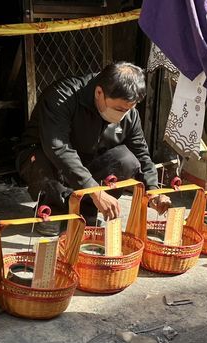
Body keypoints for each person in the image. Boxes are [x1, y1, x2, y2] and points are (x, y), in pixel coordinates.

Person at [16, 62, 171, 235]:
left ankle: (86, 209)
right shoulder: (63, 95)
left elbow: (141, 153)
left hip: (88, 165)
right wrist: (95, 191)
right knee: (42, 159)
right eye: (119, 108)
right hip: (48, 161)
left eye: (129, 109)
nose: (123, 114)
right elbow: (58, 149)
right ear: (99, 92)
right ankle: (54, 209)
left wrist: (154, 191)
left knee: (127, 160)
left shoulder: (129, 114)